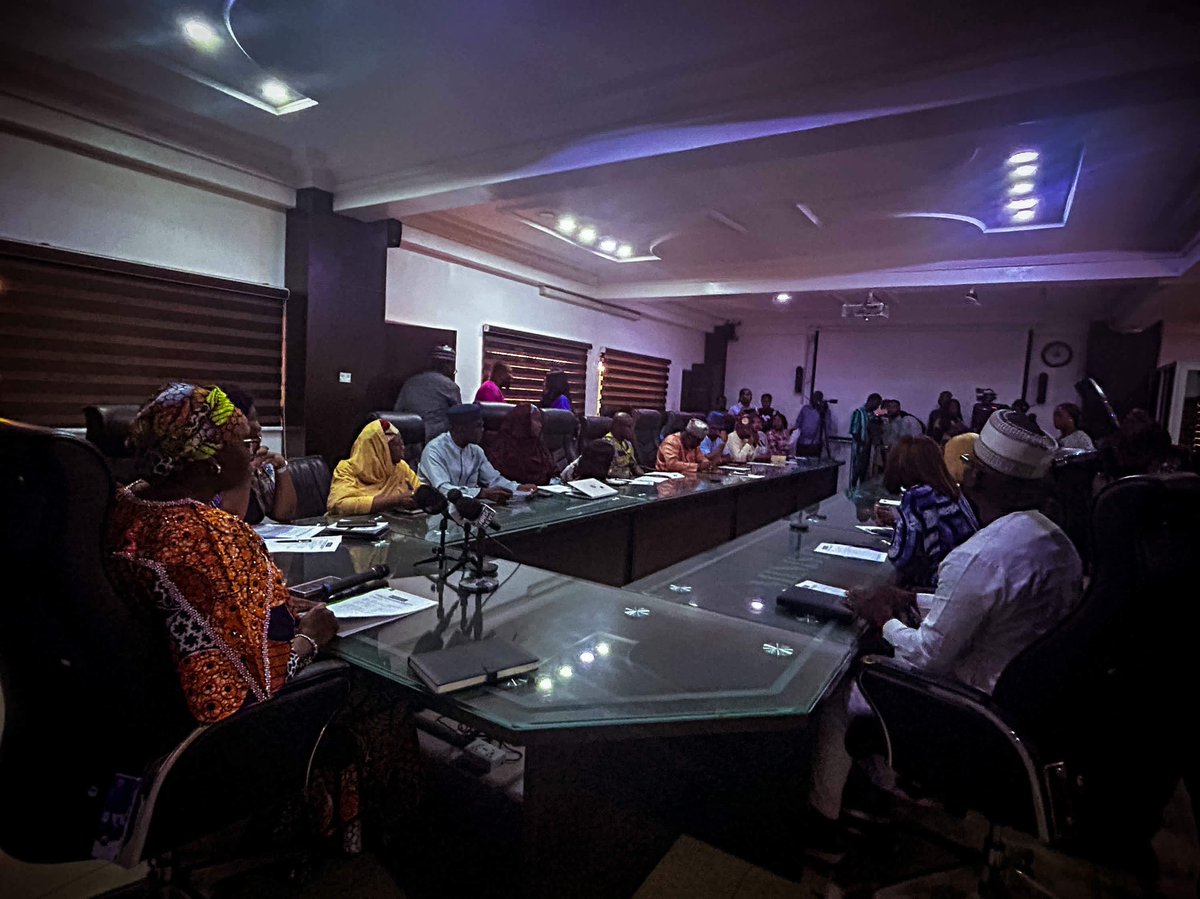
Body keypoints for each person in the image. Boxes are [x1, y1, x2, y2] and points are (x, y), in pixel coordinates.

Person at [807, 411, 1082, 839]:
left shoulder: (979, 556)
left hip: (977, 709)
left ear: (976, 479)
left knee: (843, 690)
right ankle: (883, 788)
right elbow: (991, 606)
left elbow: (927, 657)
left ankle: (824, 824)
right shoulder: (1054, 540)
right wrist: (909, 599)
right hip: (1030, 702)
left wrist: (883, 618)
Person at [106, 383, 338, 724]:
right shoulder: (213, 537)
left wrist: (274, 604)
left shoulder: (124, 504)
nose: (253, 451)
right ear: (213, 460)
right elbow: (253, 687)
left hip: (144, 710)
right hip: (232, 734)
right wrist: (309, 638)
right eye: (244, 444)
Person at [882, 436, 979, 589]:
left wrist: (899, 526)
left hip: (938, 585)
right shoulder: (950, 490)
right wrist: (897, 521)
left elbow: (901, 557)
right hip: (963, 579)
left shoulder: (918, 496)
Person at [419, 403, 529, 501]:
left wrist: (518, 488)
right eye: (478, 426)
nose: (483, 430)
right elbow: (444, 489)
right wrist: (482, 493)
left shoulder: (476, 451)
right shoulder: (434, 450)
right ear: (461, 429)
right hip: (435, 512)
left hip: (468, 510)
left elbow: (493, 479)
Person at [222, 385, 298, 524]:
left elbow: (285, 514)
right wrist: (246, 471)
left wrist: (281, 467)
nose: (258, 426)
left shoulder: (260, 466)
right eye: (252, 418)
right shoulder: (213, 470)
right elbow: (229, 521)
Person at [327, 419, 422, 515]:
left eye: (402, 443)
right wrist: (396, 500)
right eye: (398, 444)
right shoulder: (347, 469)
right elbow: (339, 504)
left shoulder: (400, 467)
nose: (403, 448)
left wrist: (417, 498)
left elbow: (419, 490)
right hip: (351, 526)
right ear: (381, 449)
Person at [394, 345, 462, 441]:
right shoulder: (450, 386)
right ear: (447, 365)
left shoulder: (410, 382)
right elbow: (459, 419)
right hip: (438, 442)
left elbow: (397, 412)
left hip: (409, 441)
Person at [486, 402, 559, 485]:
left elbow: (552, 472)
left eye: (540, 421)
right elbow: (495, 479)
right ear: (523, 421)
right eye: (536, 420)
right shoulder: (503, 448)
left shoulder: (539, 446)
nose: (540, 425)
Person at [849, 393, 883, 488]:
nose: (877, 407)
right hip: (859, 447)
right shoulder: (858, 412)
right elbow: (854, 431)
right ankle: (852, 492)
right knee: (856, 473)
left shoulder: (873, 414)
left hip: (869, 447)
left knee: (866, 473)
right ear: (871, 401)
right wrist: (862, 444)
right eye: (877, 404)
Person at [604, 411, 644, 478]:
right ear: (617, 427)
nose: (632, 430)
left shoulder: (627, 444)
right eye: (629, 427)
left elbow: (634, 465)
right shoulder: (607, 444)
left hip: (627, 480)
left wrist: (644, 477)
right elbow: (608, 471)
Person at [795, 391, 830, 458]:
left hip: (815, 444)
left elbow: (827, 426)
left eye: (818, 398)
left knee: (812, 464)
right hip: (801, 442)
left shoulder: (823, 411)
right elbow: (798, 423)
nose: (815, 399)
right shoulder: (805, 409)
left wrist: (824, 439)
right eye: (814, 397)